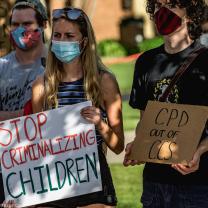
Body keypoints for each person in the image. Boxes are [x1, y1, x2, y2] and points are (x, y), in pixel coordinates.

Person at [31, 7, 124, 208]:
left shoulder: (104, 82)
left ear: (84, 41)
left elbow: (118, 146)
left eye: (69, 35)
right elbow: (34, 149)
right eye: (57, 35)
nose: (62, 41)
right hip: (52, 182)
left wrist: (101, 124)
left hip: (94, 180)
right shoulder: (41, 86)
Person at [123, 0, 208, 207]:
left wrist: (200, 150)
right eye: (159, 5)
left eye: (171, 5)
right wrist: (139, 145)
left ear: (189, 12)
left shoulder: (206, 62)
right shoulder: (146, 62)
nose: (163, 11)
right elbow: (145, 122)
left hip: (197, 184)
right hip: (154, 184)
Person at [0, 0, 48, 205]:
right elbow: (45, 116)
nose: (20, 30)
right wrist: (30, 114)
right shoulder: (1, 67)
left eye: (27, 24)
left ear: (43, 24)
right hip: (6, 169)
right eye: (15, 25)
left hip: (47, 167)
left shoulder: (59, 66)